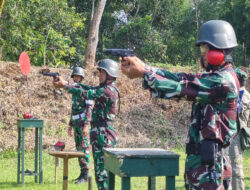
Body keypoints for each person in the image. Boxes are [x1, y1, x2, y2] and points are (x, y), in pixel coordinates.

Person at [121, 20, 240, 189]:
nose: (203, 54)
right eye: (202, 49)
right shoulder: (214, 77)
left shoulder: (223, 81)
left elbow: (180, 88)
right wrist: (144, 67)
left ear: (220, 50)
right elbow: (180, 79)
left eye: (206, 49)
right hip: (203, 166)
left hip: (211, 169)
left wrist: (144, 74)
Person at [54, 59, 119, 190]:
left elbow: (86, 93)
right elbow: (87, 88)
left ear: (110, 75)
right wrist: (67, 83)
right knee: (100, 172)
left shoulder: (108, 91)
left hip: (104, 134)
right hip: (100, 133)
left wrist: (66, 86)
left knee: (102, 173)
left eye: (102, 73)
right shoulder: (104, 88)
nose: (99, 75)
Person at [67, 66, 92, 184]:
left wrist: (86, 125)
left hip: (83, 124)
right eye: (74, 76)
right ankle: (82, 173)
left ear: (81, 78)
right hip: (76, 123)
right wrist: (70, 125)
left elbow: (88, 109)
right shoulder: (74, 91)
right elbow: (73, 109)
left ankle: (86, 174)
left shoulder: (85, 91)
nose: (76, 78)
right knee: (78, 147)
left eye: (78, 76)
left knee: (84, 147)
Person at [228, 68, 250, 190]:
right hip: (228, 134)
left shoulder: (244, 95)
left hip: (236, 136)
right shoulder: (235, 93)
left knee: (236, 168)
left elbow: (237, 110)